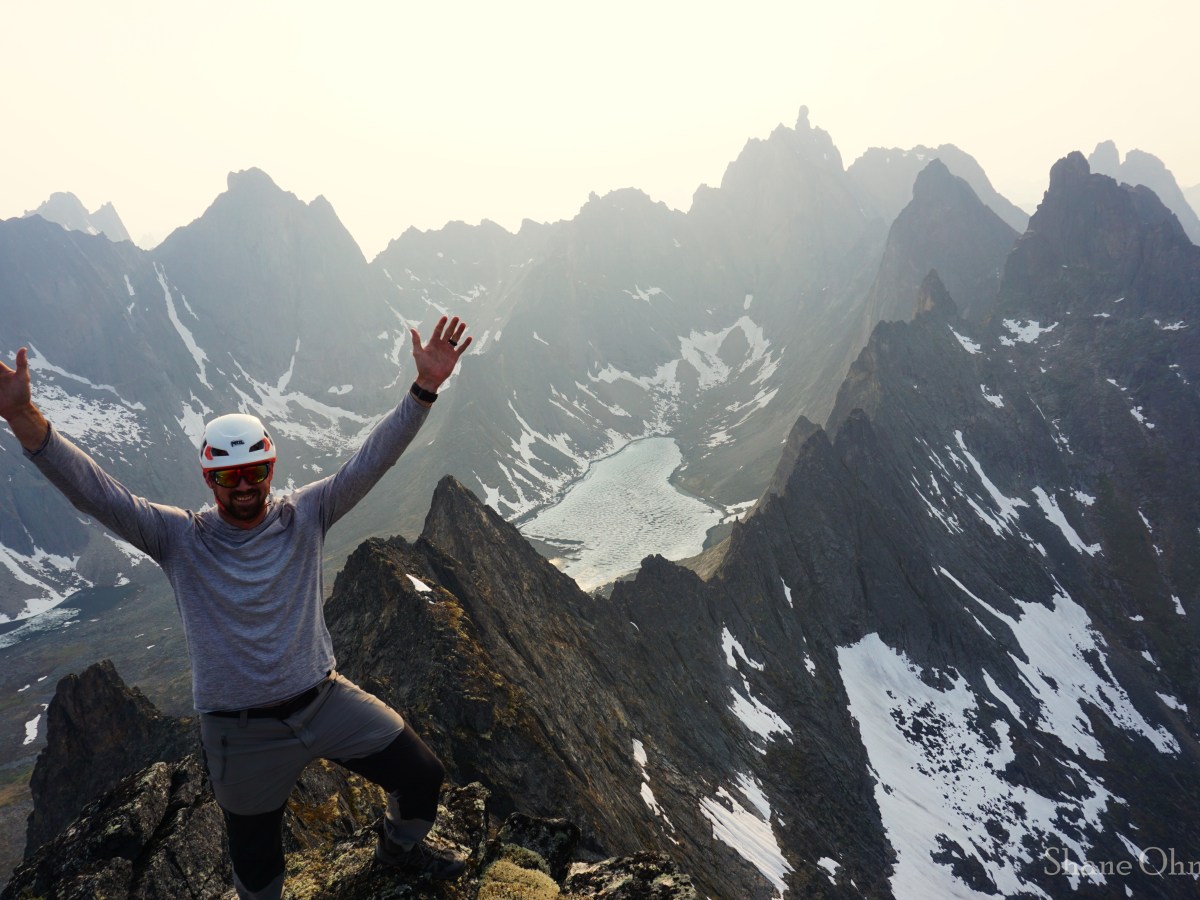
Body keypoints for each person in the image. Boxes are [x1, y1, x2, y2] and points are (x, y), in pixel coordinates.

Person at [0, 315, 473, 900]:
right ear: (209, 479)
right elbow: (97, 493)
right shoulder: (178, 539)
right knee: (258, 872)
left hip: (324, 700)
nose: (243, 485)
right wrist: (25, 419)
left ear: (270, 470)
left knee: (422, 775)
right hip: (239, 734)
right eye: (228, 475)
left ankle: (398, 851)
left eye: (253, 471)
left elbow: (371, 461)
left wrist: (424, 389)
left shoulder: (307, 515)